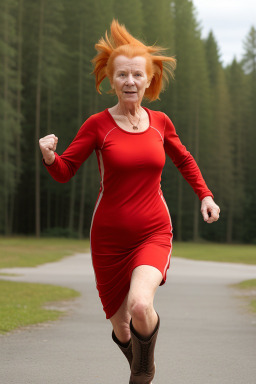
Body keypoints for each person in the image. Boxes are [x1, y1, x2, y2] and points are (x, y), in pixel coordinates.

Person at [39, 20, 220, 384]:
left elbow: (183, 159)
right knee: (122, 327)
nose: (130, 81)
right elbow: (65, 170)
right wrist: (48, 156)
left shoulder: (160, 123)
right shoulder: (97, 125)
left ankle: (142, 372)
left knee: (141, 304)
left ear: (149, 79)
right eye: (122, 75)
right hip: (107, 239)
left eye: (137, 74)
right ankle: (138, 359)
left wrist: (205, 194)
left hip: (154, 230)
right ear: (111, 80)